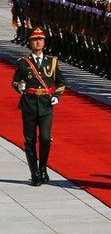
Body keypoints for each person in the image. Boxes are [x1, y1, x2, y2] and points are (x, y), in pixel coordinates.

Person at [12, 28, 65, 186]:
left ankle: (43, 168)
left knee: (45, 139)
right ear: (30, 43)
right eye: (35, 39)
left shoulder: (52, 62)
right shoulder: (23, 63)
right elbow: (15, 81)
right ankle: (34, 173)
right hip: (29, 104)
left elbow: (61, 83)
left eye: (40, 39)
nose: (38, 42)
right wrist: (19, 86)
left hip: (46, 104)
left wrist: (56, 96)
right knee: (29, 141)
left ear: (44, 42)